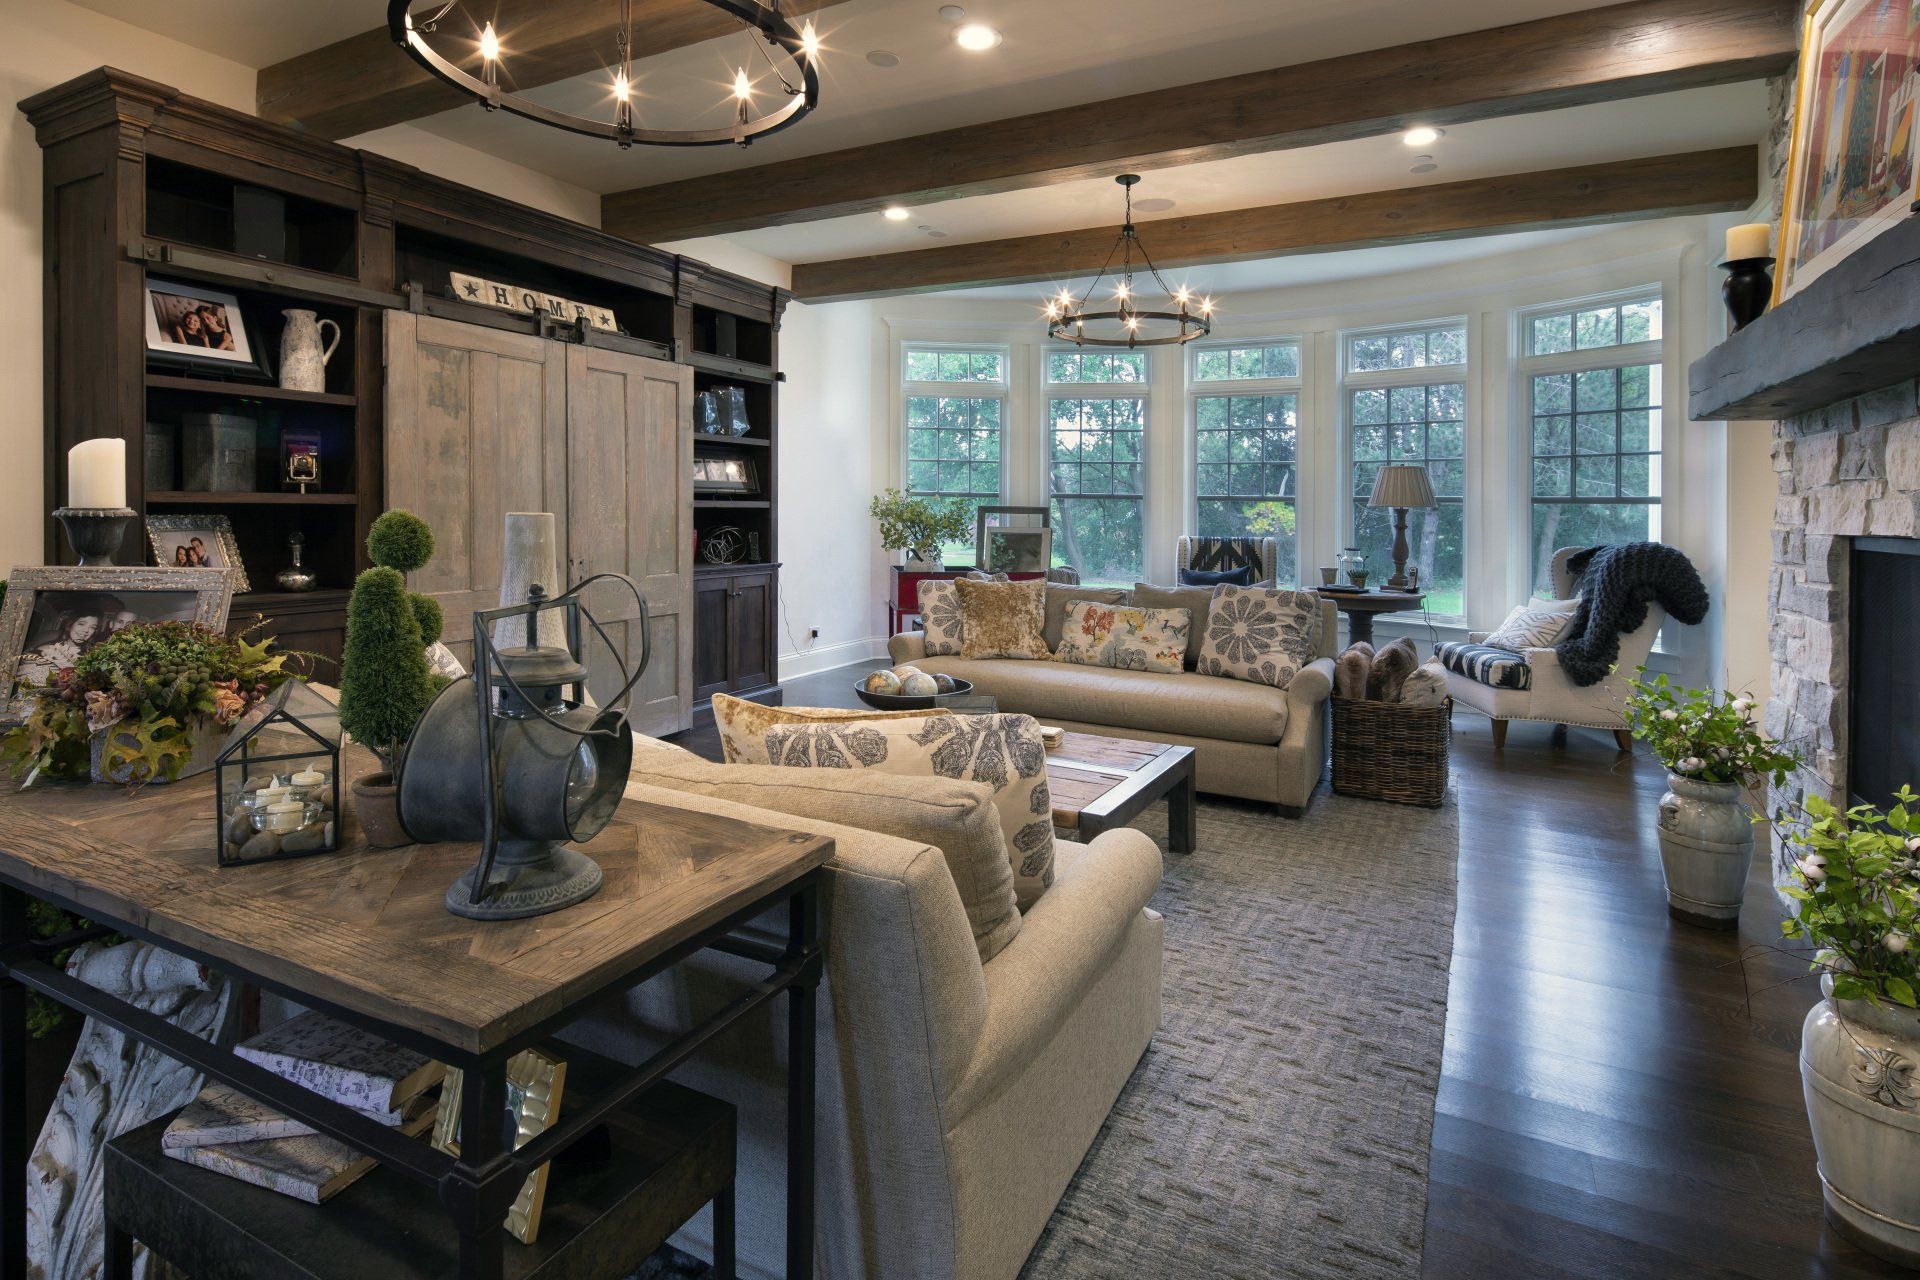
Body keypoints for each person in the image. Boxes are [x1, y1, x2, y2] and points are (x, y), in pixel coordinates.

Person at [16, 611, 102, 687]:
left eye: (93, 627)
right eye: (81, 624)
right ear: (71, 624)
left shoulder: (90, 659)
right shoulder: (45, 649)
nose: (86, 630)